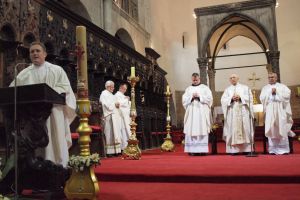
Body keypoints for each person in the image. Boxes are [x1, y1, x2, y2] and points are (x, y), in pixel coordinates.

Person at [10, 41, 76, 167]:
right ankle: (36, 170)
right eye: (32, 51)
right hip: (31, 117)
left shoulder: (57, 70)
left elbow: (65, 89)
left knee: (54, 141)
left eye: (37, 51)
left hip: (53, 113)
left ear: (45, 54)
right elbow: (13, 89)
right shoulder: (24, 73)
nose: (34, 53)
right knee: (34, 145)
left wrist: (47, 93)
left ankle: (58, 167)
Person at [259, 72, 295, 155]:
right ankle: (272, 150)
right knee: (271, 128)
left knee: (281, 127)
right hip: (270, 110)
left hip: (280, 109)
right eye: (269, 77)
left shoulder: (282, 87)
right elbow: (262, 98)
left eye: (273, 77)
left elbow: (287, 96)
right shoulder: (265, 88)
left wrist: (277, 92)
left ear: (276, 78)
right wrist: (270, 93)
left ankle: (284, 149)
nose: (271, 78)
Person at [221, 74, 254, 155]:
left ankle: (247, 149)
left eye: (234, 77)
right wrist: (231, 99)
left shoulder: (245, 88)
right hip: (232, 113)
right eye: (231, 78)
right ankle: (233, 150)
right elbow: (223, 100)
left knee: (245, 129)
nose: (233, 79)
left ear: (238, 78)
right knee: (232, 129)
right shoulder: (227, 90)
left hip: (243, 112)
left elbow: (250, 98)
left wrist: (241, 97)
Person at [182, 73, 213, 156]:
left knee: (202, 128)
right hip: (191, 113)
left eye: (196, 80)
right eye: (193, 80)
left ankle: (202, 150)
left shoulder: (205, 88)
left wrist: (199, 96)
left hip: (201, 113)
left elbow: (210, 99)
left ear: (199, 79)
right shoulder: (188, 89)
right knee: (191, 129)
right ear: (191, 79)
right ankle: (192, 150)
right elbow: (184, 101)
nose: (195, 81)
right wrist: (191, 97)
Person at [99, 80, 122, 156]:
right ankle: (110, 152)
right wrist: (114, 104)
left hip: (114, 116)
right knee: (109, 134)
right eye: (112, 87)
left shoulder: (112, 95)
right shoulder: (104, 93)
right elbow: (105, 104)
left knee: (116, 134)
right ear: (108, 86)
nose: (113, 88)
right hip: (109, 116)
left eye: (113, 87)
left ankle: (116, 150)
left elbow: (115, 104)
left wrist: (118, 105)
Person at [115, 83, 131, 150]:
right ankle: (124, 147)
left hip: (125, 116)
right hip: (121, 116)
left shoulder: (122, 95)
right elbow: (119, 104)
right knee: (123, 132)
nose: (125, 90)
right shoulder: (117, 95)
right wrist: (126, 100)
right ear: (120, 88)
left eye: (126, 89)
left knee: (125, 131)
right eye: (124, 89)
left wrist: (128, 100)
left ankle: (127, 146)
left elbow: (126, 105)